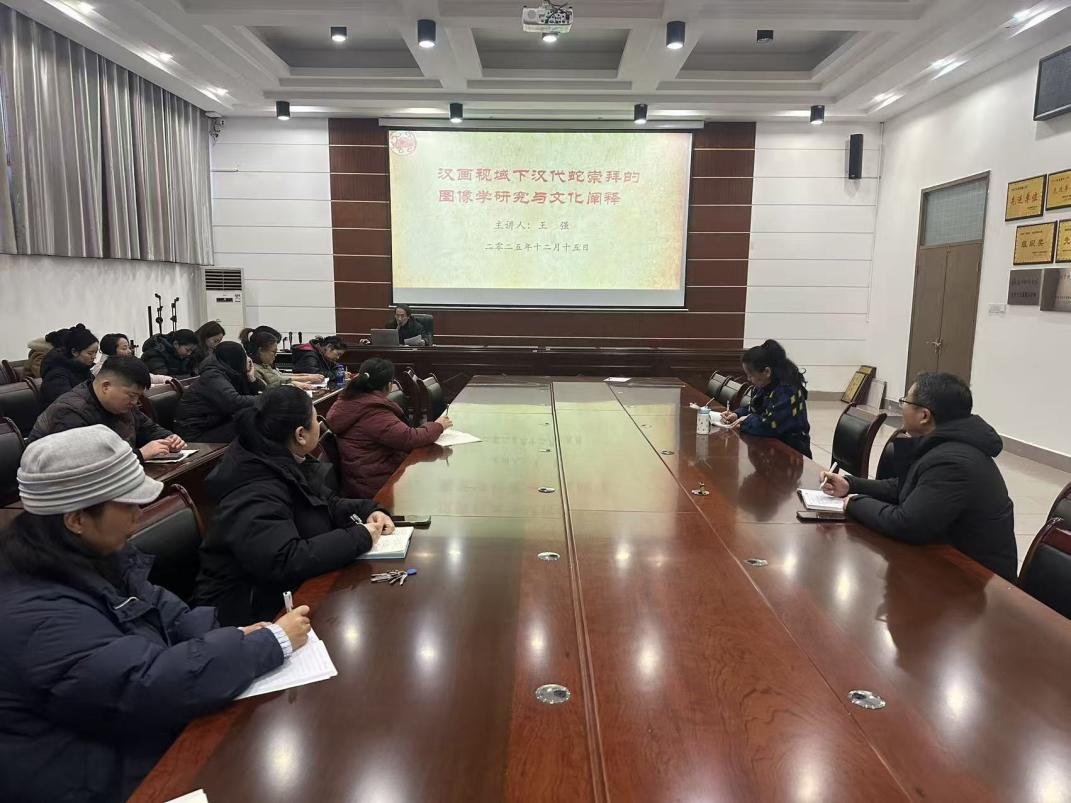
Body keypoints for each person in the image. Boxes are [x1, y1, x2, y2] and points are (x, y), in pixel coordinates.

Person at [0, 425, 312, 803]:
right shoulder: (34, 613)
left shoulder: (96, 556)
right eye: (128, 504)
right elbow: (144, 686)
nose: (138, 515)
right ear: (77, 519)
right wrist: (268, 644)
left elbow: (167, 613)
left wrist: (238, 635)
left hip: (134, 744)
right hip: (99, 778)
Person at [195, 385, 394, 625]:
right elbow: (284, 559)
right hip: (249, 615)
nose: (319, 423)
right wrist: (359, 537)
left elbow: (326, 503)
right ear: (300, 434)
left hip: (287, 591)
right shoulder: (253, 486)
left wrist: (369, 510)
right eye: (315, 419)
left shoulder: (282, 458)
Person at [820, 372, 1017, 581]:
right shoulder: (943, 444)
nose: (901, 408)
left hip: (976, 580)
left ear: (924, 415)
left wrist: (854, 503)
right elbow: (906, 487)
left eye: (905, 402)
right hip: (946, 559)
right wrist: (850, 485)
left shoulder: (953, 462)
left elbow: (907, 524)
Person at [327, 358, 452, 498]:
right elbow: (409, 439)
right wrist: (438, 426)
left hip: (364, 477)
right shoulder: (373, 411)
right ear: (389, 385)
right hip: (375, 486)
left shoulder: (351, 401)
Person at [29, 355, 185, 461]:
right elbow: (85, 463)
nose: (135, 402)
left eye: (138, 396)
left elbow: (148, 428)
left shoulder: (122, 404)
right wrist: (140, 454)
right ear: (106, 386)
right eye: (132, 395)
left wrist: (169, 439)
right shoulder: (70, 411)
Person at [720, 339, 811, 458]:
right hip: (768, 449)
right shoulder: (766, 385)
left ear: (766, 372)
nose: (748, 379)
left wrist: (746, 420)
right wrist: (737, 414)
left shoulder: (787, 391)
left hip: (790, 454)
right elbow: (754, 408)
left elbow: (768, 426)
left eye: (750, 375)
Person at [174, 341, 265, 442]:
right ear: (236, 358)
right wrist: (267, 399)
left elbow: (254, 393)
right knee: (255, 426)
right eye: (244, 355)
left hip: (215, 424)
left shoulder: (231, 372)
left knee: (258, 420)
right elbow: (234, 402)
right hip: (197, 432)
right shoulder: (212, 375)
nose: (247, 359)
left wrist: (252, 379)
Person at [240, 327, 322, 390]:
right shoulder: (253, 369)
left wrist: (304, 378)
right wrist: (297, 383)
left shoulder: (265, 364)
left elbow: (280, 378)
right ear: (261, 350)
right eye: (273, 352)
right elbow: (270, 387)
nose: (275, 355)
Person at [40, 323, 99, 405]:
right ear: (74, 352)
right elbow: (68, 404)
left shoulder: (85, 369)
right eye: (90, 353)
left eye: (96, 353)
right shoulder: (56, 376)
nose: (94, 357)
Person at [94, 333, 171, 385]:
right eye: (124, 348)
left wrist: (170, 380)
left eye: (129, 347)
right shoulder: (102, 369)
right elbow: (131, 386)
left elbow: (148, 377)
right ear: (111, 351)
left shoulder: (127, 364)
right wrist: (162, 385)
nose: (129, 351)